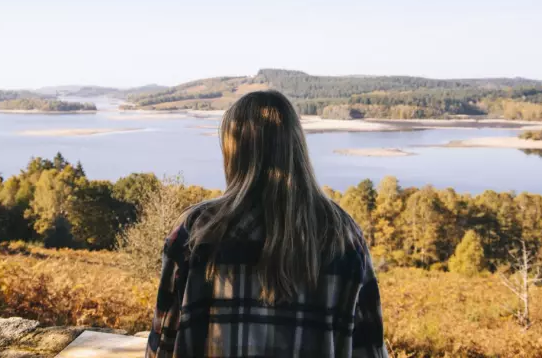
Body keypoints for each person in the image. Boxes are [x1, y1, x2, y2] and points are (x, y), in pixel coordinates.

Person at [146, 90, 388, 358]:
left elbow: (163, 343)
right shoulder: (343, 233)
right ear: (296, 146)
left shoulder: (197, 230)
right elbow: (371, 348)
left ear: (233, 152)